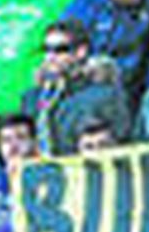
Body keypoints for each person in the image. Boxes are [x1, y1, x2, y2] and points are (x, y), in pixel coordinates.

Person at [20, 20, 132, 157]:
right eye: (46, 49)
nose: (50, 57)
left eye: (60, 50)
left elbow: (122, 143)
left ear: (81, 51)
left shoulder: (105, 95)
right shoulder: (32, 98)